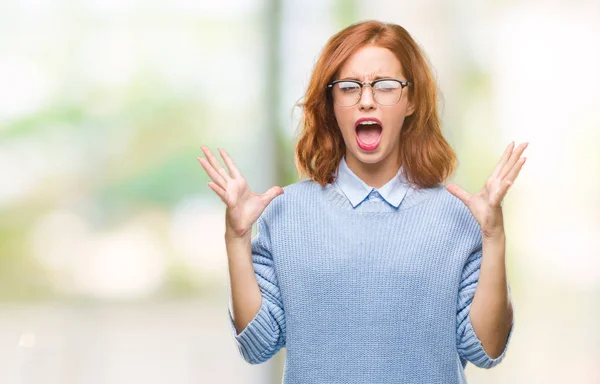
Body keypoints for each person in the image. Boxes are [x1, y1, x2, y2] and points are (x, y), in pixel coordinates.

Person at [198, 20, 527, 384]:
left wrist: (494, 238)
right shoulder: (284, 212)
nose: (367, 100)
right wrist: (237, 239)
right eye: (349, 87)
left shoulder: (458, 216)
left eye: (385, 86)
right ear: (331, 103)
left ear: (411, 100)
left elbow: (487, 349)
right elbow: (258, 346)